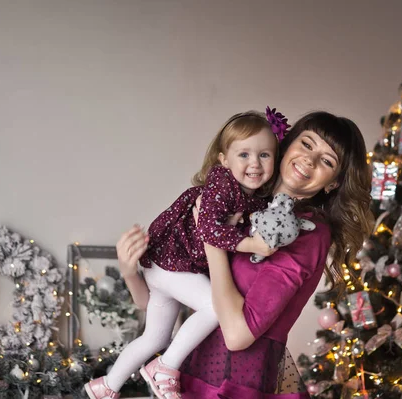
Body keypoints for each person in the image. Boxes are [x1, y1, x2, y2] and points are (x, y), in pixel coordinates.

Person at [114, 111, 373, 398]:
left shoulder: (307, 234)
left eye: (327, 161)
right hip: (181, 375)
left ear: (333, 183)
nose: (309, 160)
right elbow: (162, 301)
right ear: (286, 146)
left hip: (233, 386)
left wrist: (211, 238)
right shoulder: (244, 204)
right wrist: (129, 274)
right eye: (307, 144)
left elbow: (237, 335)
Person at [85, 110, 284, 399]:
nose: (254, 163)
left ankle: (107, 385)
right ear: (223, 160)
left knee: (155, 337)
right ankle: (165, 367)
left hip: (166, 271)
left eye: (265, 155)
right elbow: (209, 231)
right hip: (172, 264)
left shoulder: (252, 198)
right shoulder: (222, 185)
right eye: (244, 155)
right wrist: (252, 244)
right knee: (216, 308)